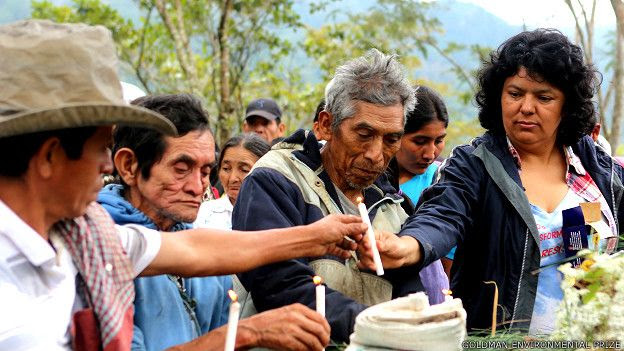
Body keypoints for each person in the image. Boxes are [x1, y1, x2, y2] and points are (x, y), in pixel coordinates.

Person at [0, 19, 366, 351]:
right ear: (50, 157)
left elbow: (192, 249)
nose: (104, 164)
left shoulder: (84, 239)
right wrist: (247, 334)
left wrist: (314, 237)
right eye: (99, 149)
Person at [360, 29, 623, 335]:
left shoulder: (594, 166)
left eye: (544, 97)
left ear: (566, 106)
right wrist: (408, 246)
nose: (526, 107)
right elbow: (443, 214)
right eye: (515, 93)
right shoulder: (475, 165)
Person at [233, 49, 429, 343]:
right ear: (326, 124)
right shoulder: (276, 180)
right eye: (364, 135)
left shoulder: (394, 208)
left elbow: (408, 295)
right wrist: (380, 329)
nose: (377, 155)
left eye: (391, 139)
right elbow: (279, 286)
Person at [96, 93, 231, 351]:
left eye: (205, 172)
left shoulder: (210, 263)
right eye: (181, 169)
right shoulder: (97, 243)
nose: (197, 187)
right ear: (129, 166)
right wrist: (245, 334)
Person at [386, 85, 453, 297]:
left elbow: (447, 270)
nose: (430, 153)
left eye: (439, 141)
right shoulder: (369, 183)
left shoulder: (442, 183)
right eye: (419, 141)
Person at [194, 133, 270, 230]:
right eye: (226, 168)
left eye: (244, 170)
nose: (232, 178)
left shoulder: (277, 214)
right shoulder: (203, 213)